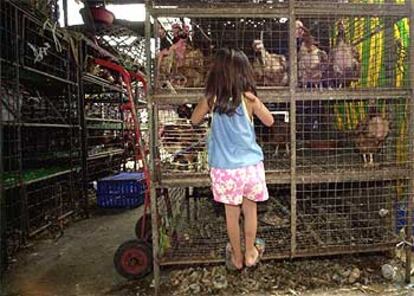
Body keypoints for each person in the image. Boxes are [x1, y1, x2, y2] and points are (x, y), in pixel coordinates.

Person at [191, 48, 274, 270]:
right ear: (244, 73)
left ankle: (236, 258)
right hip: (250, 168)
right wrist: (255, 101)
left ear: (216, 73)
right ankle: (250, 253)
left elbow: (193, 120)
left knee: (231, 215)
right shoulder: (249, 99)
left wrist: (207, 104)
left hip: (225, 170)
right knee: (251, 211)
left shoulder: (212, 99)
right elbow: (270, 121)